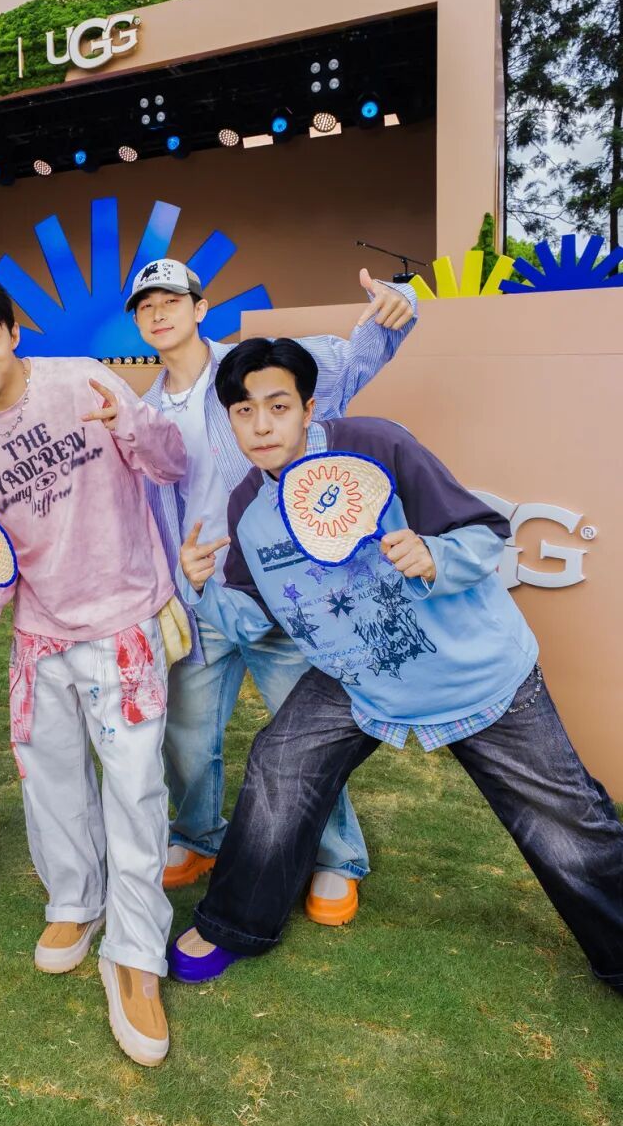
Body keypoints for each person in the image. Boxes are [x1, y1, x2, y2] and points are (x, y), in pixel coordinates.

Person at [168, 337, 623, 996]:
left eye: (278, 405)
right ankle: (235, 923)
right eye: (244, 411)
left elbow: (483, 534)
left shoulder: (375, 444)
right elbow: (252, 618)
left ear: (308, 408)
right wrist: (202, 586)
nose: (261, 425)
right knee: (280, 763)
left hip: (475, 673)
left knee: (565, 822)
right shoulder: (247, 508)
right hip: (358, 677)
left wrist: (436, 556)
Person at [0, 275, 189, 1067]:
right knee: (51, 782)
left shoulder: (85, 381)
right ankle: (76, 898)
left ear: (14, 331)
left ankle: (135, 954)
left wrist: (131, 423)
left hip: (125, 622)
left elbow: (170, 462)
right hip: (41, 639)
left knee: (135, 790)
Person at [129, 258, 417, 922]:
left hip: (285, 590)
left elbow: (351, 361)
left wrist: (396, 309)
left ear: (200, 308)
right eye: (146, 306)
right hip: (203, 595)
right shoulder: (144, 411)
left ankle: (336, 857)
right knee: (187, 735)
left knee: (306, 735)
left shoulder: (252, 370)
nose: (159, 313)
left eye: (171, 300)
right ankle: (197, 834)